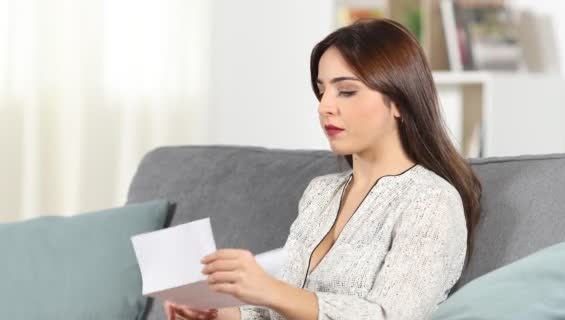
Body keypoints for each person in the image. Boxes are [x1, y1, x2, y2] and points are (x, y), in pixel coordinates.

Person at [165, 17, 481, 320]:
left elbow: (387, 316)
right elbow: (279, 310)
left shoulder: (431, 201)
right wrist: (216, 313)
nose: (325, 106)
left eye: (346, 91)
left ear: (399, 101)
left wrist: (269, 289)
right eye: (322, 89)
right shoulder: (321, 193)